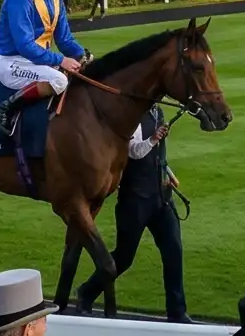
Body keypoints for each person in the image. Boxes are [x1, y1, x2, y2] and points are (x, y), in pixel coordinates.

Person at [77, 102, 188, 320]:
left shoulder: (156, 111)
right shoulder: (130, 114)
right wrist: (154, 138)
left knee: (174, 251)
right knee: (124, 257)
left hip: (160, 196)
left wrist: (167, 170)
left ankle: (177, 312)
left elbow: (155, 153)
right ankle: (87, 292)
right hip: (134, 199)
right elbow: (134, 152)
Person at [0, 0, 90, 143]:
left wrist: (82, 56)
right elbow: (24, 45)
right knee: (59, 80)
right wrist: (61, 61)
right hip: (13, 63)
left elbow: (65, 39)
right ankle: (4, 109)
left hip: (39, 62)